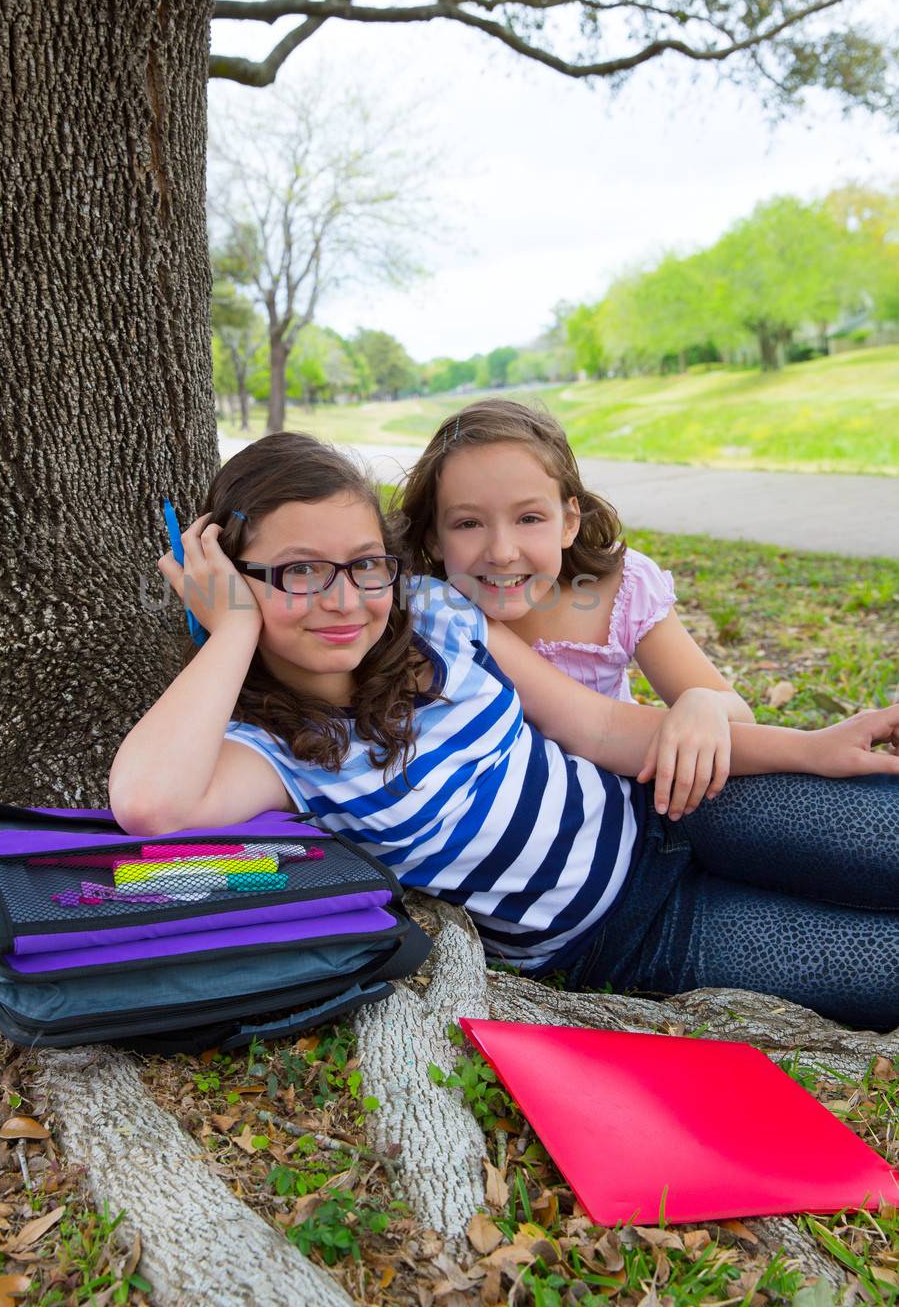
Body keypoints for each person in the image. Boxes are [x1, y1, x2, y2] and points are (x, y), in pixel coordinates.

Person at [111, 433, 899, 1030]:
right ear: (231, 585)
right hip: (630, 936)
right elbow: (150, 806)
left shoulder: (434, 616)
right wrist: (231, 636)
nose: (345, 600)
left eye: (362, 563)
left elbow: (597, 729)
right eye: (299, 571)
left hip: (674, 809)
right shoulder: (275, 753)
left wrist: (810, 747)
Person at [399, 398, 754, 814]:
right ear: (434, 539)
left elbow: (739, 718)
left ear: (569, 522)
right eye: (468, 523)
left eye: (529, 518)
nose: (501, 552)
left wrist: (704, 702)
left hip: (639, 803)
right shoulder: (431, 617)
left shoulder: (619, 591)